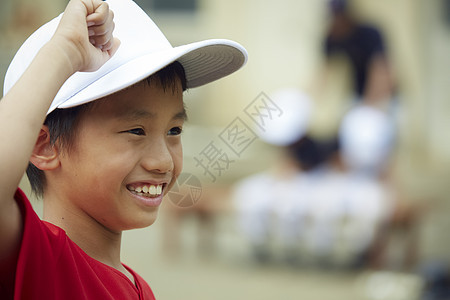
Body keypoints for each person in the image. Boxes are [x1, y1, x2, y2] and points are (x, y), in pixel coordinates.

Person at [0, 0, 247, 298]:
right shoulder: (37, 261)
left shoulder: (138, 288)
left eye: (174, 130)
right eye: (136, 131)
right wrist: (63, 53)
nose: (163, 162)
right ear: (44, 145)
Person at [322, 0, 395, 109]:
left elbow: (382, 72)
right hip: (359, 96)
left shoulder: (369, 34)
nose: (338, 21)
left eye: (341, 17)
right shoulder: (333, 37)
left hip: (384, 97)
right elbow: (324, 73)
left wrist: (369, 104)